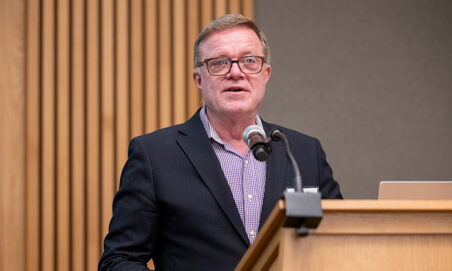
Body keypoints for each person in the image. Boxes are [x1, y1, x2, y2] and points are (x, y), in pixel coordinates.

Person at [99, 14, 342, 271]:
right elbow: (119, 261)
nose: (235, 72)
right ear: (198, 79)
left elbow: (340, 244)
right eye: (219, 63)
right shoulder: (155, 156)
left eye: (250, 61)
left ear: (266, 74)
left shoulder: (303, 153)